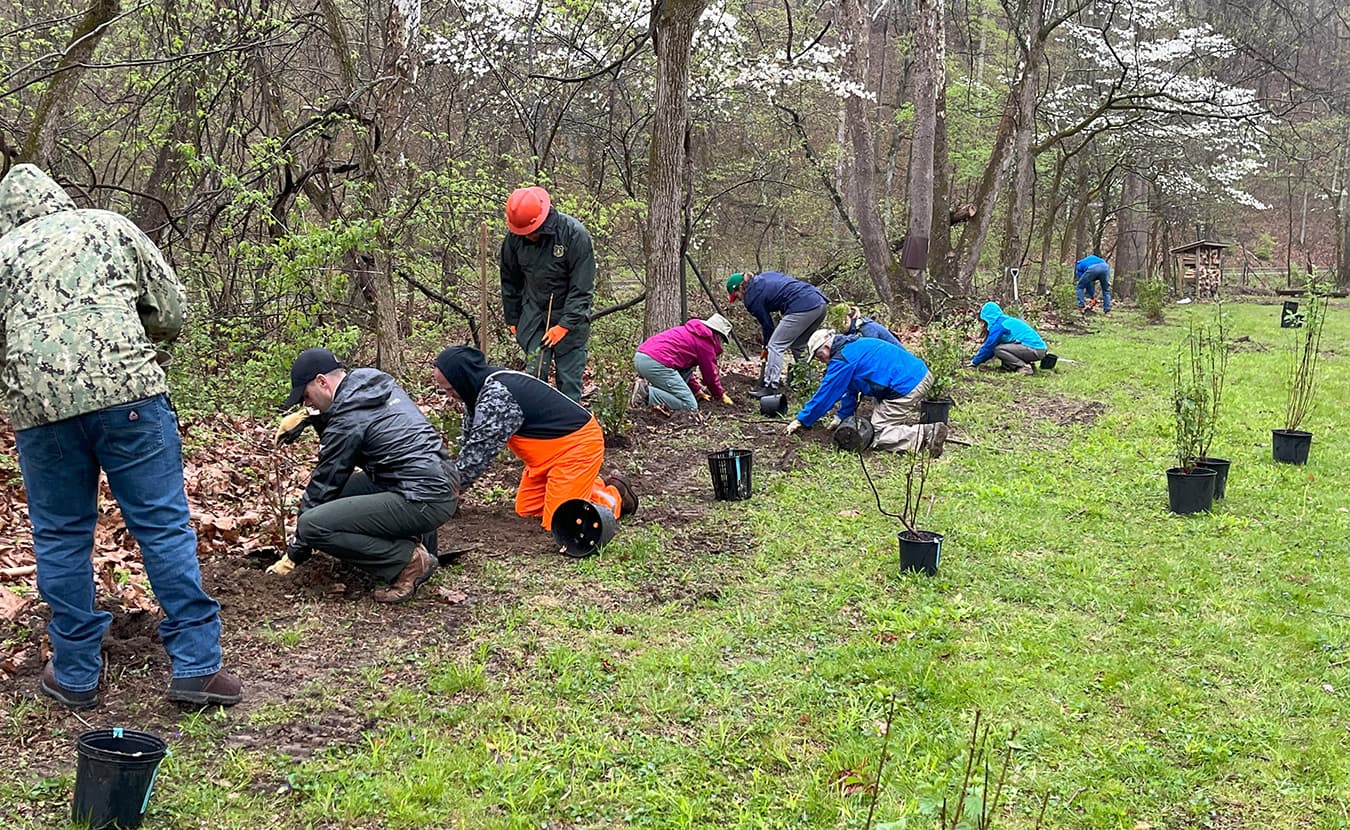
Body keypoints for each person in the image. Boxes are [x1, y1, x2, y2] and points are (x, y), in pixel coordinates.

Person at [0, 164, 240, 709]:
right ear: (57, 198)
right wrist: (148, 352)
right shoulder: (109, 226)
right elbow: (169, 310)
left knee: (61, 536)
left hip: (41, 413)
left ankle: (77, 673)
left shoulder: (3, 255)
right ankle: (197, 668)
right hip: (130, 393)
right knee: (161, 523)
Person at [265, 348, 458, 604]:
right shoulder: (372, 384)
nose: (307, 404)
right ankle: (421, 545)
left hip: (423, 499)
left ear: (322, 381)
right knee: (341, 497)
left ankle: (408, 561)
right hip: (438, 485)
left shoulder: (347, 417)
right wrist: (311, 420)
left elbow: (325, 483)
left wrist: (295, 553)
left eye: (306, 396)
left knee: (312, 524)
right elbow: (359, 430)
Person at [433, 346, 637, 534]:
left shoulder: (497, 397)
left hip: (576, 448)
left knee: (560, 523)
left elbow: (476, 457)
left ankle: (615, 495)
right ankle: (588, 488)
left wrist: (445, 498)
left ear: (463, 378)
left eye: (451, 389)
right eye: (444, 390)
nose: (449, 396)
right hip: (543, 460)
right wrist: (452, 487)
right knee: (528, 510)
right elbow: (469, 446)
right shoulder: (477, 391)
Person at [786, 329, 949, 456]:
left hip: (906, 386)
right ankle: (902, 426)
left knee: (875, 434)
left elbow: (825, 394)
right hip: (918, 374)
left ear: (827, 347)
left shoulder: (842, 360)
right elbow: (850, 390)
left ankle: (927, 434)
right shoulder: (854, 346)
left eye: (820, 357)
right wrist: (841, 417)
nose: (822, 362)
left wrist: (802, 420)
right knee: (879, 418)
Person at [501, 186, 595, 402]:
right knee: (533, 377)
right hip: (533, 315)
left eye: (530, 232)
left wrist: (565, 325)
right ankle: (536, 429)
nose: (528, 236)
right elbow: (510, 280)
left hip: (570, 318)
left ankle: (570, 429)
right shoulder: (514, 239)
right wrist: (513, 318)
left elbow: (581, 289)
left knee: (569, 383)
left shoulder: (574, 235)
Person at [727, 270, 827, 398]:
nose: (739, 299)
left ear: (740, 288)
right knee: (798, 345)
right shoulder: (764, 277)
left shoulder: (751, 297)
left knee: (776, 345)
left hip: (802, 306)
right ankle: (807, 383)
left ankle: (770, 386)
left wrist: (766, 346)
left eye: (737, 296)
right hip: (819, 303)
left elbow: (768, 325)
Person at [631, 313, 735, 411]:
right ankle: (645, 393)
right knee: (690, 405)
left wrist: (697, 391)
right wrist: (719, 395)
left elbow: (684, 371)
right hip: (656, 363)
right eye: (722, 340)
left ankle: (656, 398)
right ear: (718, 335)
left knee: (686, 371)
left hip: (642, 357)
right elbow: (710, 376)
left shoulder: (690, 332)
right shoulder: (705, 343)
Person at [970, 302, 1047, 375]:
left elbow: (990, 345)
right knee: (1002, 346)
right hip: (1038, 349)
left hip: (1034, 349)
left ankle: (1024, 367)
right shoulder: (1004, 320)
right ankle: (1021, 365)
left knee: (998, 349)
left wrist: (975, 362)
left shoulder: (999, 326)